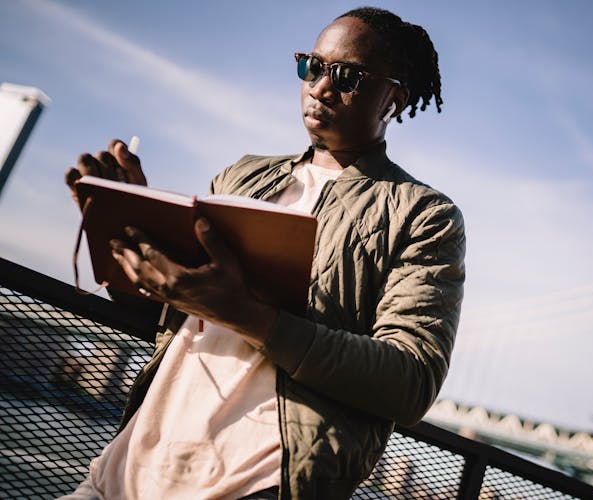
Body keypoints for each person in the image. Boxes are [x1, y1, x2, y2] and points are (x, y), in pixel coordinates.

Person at [63, 7, 465, 500]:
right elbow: (169, 318)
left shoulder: (422, 215)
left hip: (256, 484)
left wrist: (246, 315)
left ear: (394, 99)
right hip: (124, 472)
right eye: (312, 67)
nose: (320, 87)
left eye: (348, 77)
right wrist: (124, 231)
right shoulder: (241, 177)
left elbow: (411, 379)